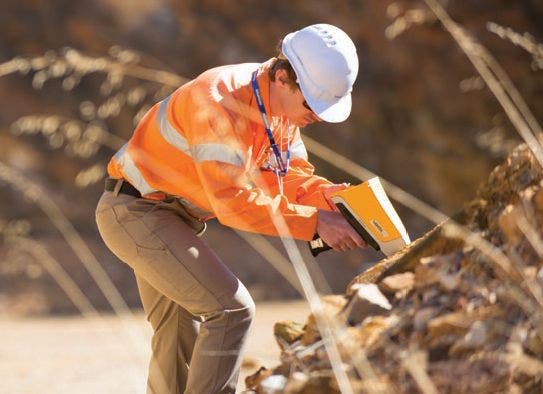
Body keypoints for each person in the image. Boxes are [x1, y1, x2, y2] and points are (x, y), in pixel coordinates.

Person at [95, 23, 365, 394]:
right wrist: (317, 223)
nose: (317, 116)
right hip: (136, 212)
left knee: (178, 337)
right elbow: (234, 203)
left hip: (169, 219)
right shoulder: (218, 101)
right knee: (231, 311)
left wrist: (337, 201)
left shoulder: (281, 112)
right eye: (312, 105)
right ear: (284, 77)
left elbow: (290, 180)